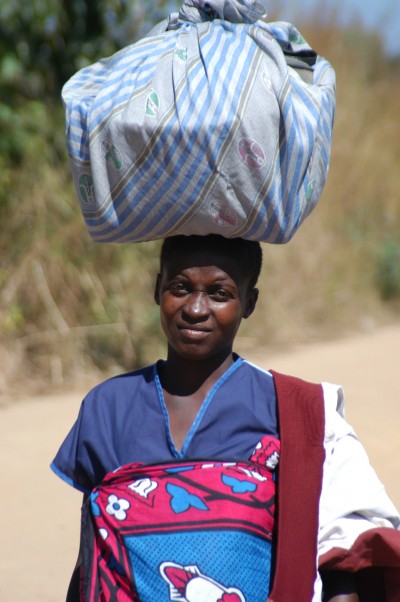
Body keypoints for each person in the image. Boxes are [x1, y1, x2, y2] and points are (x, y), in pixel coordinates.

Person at [51, 234, 400, 602]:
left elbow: (342, 561)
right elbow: (93, 558)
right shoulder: (108, 408)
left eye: (219, 293)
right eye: (180, 288)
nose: (196, 309)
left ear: (249, 302)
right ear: (157, 290)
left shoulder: (296, 413)